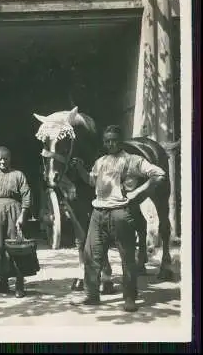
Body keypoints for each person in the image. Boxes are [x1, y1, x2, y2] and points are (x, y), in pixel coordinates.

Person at [70, 125, 166, 312]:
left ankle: (129, 298)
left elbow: (159, 174)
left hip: (121, 213)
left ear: (120, 141)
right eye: (107, 140)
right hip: (98, 213)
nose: (111, 143)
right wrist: (80, 168)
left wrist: (138, 192)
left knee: (127, 257)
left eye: (114, 139)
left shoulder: (132, 160)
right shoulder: (100, 161)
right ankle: (91, 296)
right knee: (91, 255)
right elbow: (92, 181)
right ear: (104, 143)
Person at [0, 146, 33, 298]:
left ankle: (19, 285)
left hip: (12, 214)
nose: (2, 161)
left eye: (5, 158)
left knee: (15, 248)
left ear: (10, 158)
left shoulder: (18, 175)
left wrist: (22, 215)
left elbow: (26, 195)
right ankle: (2, 283)